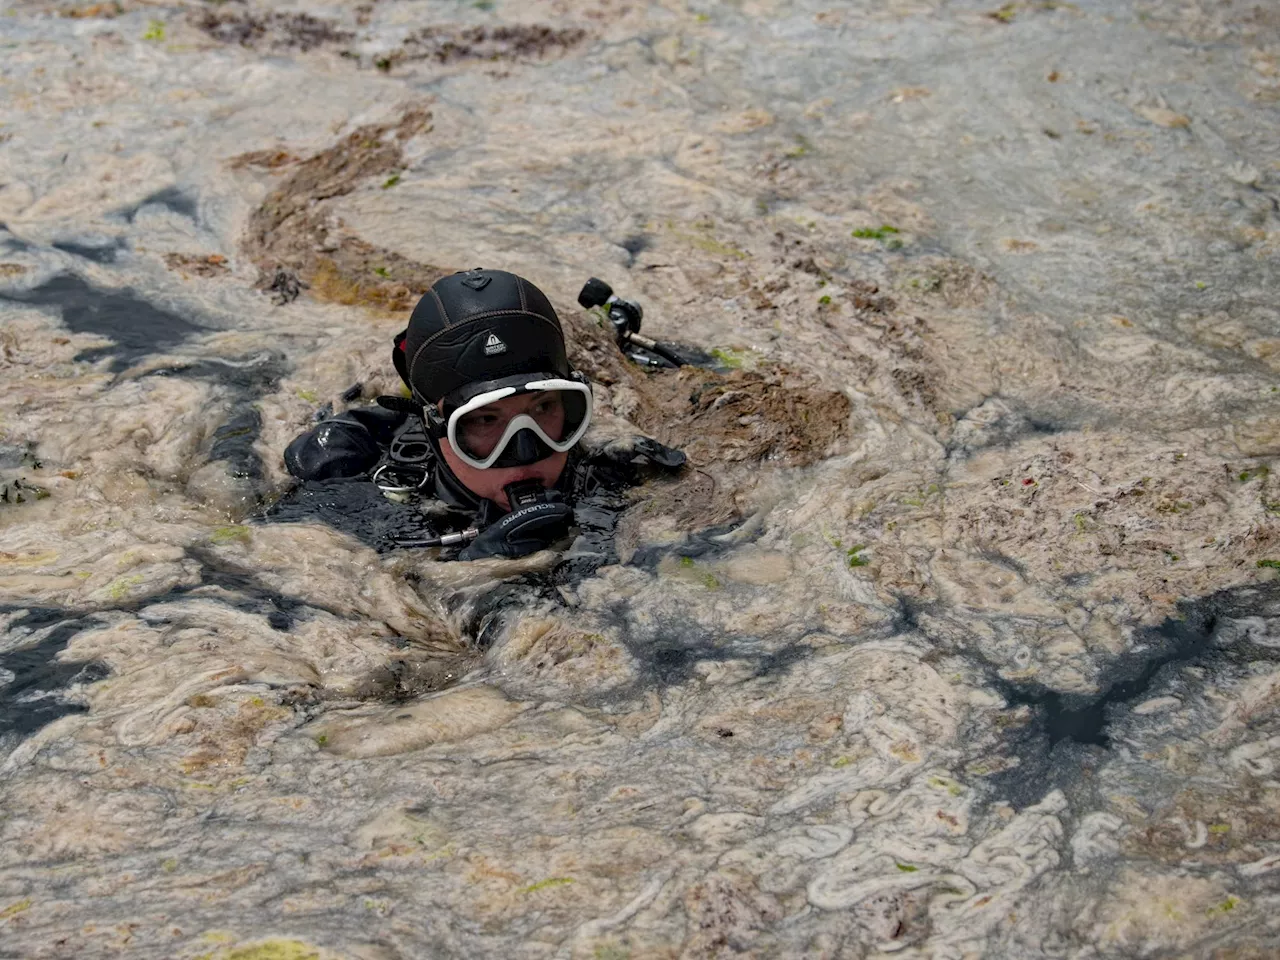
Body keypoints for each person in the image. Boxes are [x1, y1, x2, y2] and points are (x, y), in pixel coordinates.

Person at [283, 268, 685, 561]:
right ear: (434, 428)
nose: (527, 450)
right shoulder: (364, 495)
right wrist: (473, 574)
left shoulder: (621, 467)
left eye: (543, 408)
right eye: (484, 420)